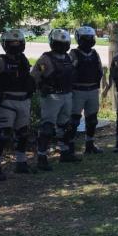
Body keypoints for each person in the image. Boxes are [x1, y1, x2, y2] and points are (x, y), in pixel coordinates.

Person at [0, 29, 35, 180]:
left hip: (23, 101)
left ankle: (21, 163)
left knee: (23, 133)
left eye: (18, 42)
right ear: (5, 44)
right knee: (2, 135)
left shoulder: (24, 60)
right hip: (6, 101)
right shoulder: (0, 62)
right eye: (12, 43)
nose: (16, 45)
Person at [31, 28, 79, 169]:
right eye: (59, 43)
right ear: (52, 43)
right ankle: (41, 157)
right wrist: (41, 86)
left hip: (67, 95)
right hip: (52, 97)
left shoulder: (68, 58)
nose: (62, 45)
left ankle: (65, 153)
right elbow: (34, 77)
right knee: (47, 128)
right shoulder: (45, 59)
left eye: (64, 43)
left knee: (65, 126)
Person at [69, 26, 104, 154]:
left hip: (93, 90)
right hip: (78, 90)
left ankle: (90, 144)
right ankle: (70, 146)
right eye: (86, 38)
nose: (89, 40)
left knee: (92, 119)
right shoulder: (73, 54)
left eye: (91, 37)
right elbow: (69, 72)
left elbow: (100, 70)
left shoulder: (95, 53)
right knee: (74, 120)